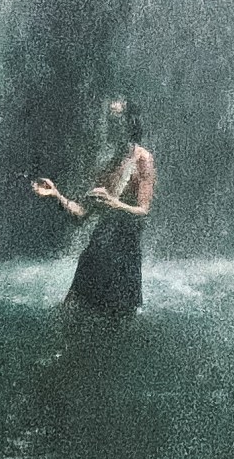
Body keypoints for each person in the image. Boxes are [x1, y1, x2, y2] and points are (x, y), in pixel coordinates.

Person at [32, 95, 155, 318]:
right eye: (108, 120)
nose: (109, 125)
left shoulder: (142, 159)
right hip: (96, 253)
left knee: (119, 321)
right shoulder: (108, 163)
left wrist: (114, 203)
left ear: (130, 122)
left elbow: (143, 211)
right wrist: (56, 195)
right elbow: (82, 215)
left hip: (123, 257)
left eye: (115, 119)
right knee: (70, 314)